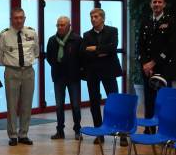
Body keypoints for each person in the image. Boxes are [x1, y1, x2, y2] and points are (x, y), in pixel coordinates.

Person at [81, 8, 125, 145]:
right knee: (94, 102)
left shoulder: (112, 31)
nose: (93, 19)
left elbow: (112, 48)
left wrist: (94, 49)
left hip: (109, 70)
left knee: (114, 101)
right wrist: (101, 51)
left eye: (96, 17)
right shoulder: (87, 35)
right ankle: (99, 133)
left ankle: (122, 133)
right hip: (92, 71)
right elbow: (84, 52)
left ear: (102, 19)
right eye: (91, 17)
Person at [0, 7, 39, 146]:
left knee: (27, 104)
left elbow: (36, 51)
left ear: (24, 19)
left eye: (21, 17)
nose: (18, 20)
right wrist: (9, 64)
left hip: (28, 71)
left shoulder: (32, 32)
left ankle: (23, 134)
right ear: (11, 19)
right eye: (16, 18)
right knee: (12, 105)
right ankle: (13, 135)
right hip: (11, 71)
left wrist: (27, 63)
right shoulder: (4, 35)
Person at [137, 0, 174, 133]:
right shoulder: (145, 21)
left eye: (159, 2)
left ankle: (165, 130)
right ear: (150, 5)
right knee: (149, 100)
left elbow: (170, 47)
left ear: (164, 5)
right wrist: (145, 64)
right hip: (147, 69)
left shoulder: (170, 21)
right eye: (154, 2)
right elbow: (140, 45)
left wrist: (153, 63)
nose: (157, 4)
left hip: (163, 67)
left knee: (165, 100)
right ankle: (149, 129)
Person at [46, 16, 83, 140]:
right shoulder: (52, 40)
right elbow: (49, 57)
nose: (60, 27)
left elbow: (81, 57)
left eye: (62, 25)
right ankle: (60, 131)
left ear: (69, 26)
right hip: (58, 77)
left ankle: (78, 129)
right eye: (58, 25)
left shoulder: (77, 39)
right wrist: (57, 65)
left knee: (76, 105)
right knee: (59, 105)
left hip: (73, 77)